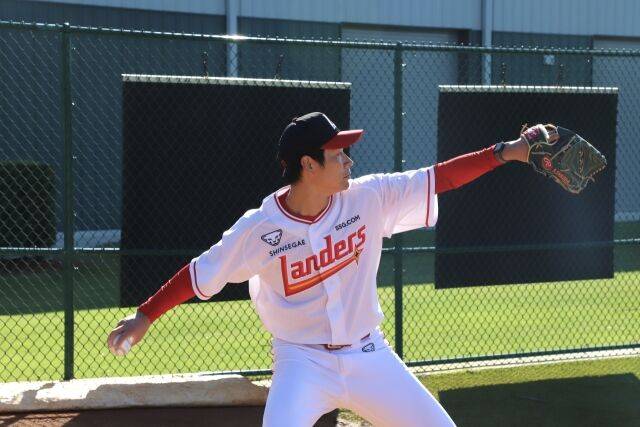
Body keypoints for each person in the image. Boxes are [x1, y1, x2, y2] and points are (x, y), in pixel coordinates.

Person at [107, 112, 553, 426]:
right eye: (338, 153)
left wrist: (507, 151)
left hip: (369, 354)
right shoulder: (260, 228)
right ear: (308, 164)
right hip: (301, 362)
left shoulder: (367, 197)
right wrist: (145, 315)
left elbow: (441, 177)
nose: (348, 161)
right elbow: (200, 273)